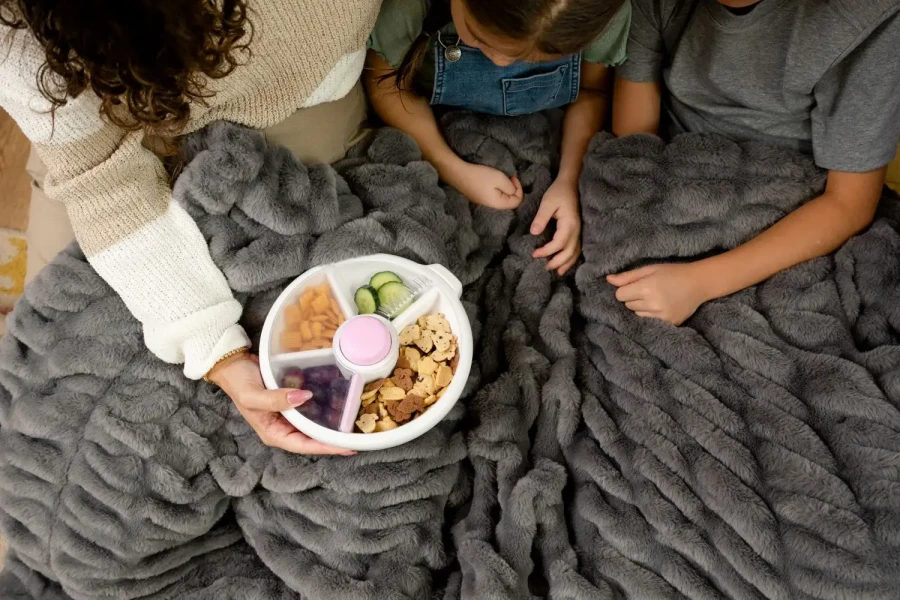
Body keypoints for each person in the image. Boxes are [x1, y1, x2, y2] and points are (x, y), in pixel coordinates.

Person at [0, 0, 383, 455]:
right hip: (95, 121)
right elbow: (99, 182)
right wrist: (214, 349)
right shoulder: (21, 28)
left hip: (299, 85)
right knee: (56, 374)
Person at [609, 0, 900, 325]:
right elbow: (633, 145)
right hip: (677, 171)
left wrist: (698, 283)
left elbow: (849, 203)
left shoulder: (867, 16)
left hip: (794, 204)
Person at [365, 0, 632, 276]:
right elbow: (387, 86)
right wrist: (451, 168)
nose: (500, 61)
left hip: (548, 137)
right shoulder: (409, 8)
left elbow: (592, 90)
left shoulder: (604, 15)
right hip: (432, 131)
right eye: (480, 39)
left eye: (530, 58)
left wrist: (569, 181)